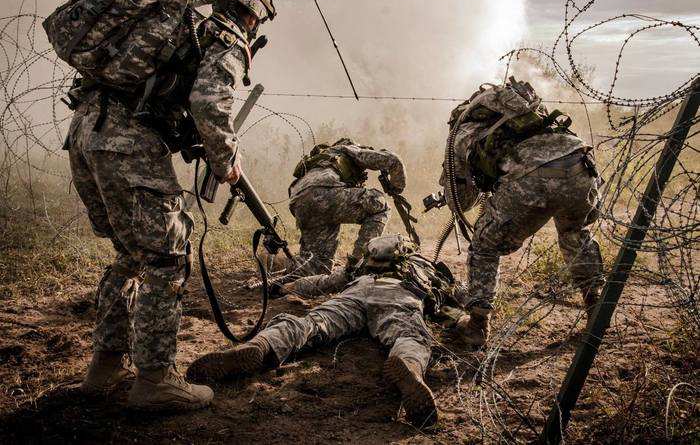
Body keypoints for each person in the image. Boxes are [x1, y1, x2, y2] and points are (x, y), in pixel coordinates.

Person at [65, 0, 275, 411]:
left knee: (131, 254)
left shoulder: (177, 23)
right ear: (252, 11)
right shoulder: (222, 33)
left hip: (86, 132)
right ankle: (155, 380)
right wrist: (227, 163)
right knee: (165, 258)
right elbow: (208, 103)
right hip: (128, 144)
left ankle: (103, 369)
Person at [187, 234, 472, 427]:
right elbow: (459, 298)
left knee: (309, 324)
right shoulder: (425, 268)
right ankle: (407, 365)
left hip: (355, 294)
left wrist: (283, 286)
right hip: (400, 295)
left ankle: (262, 346)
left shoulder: (362, 267)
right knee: (410, 335)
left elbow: (321, 282)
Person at [442, 77, 604, 347]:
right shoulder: (527, 114)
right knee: (575, 233)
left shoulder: (462, 132)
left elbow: (462, 201)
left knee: (484, 244)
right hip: (580, 163)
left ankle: (477, 325)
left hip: (532, 178)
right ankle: (595, 309)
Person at [287, 138, 406, 276]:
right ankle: (359, 263)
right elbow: (393, 160)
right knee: (379, 205)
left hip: (300, 204)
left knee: (318, 267)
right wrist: (397, 187)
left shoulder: (318, 162)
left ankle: (285, 279)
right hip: (325, 194)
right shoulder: (347, 150)